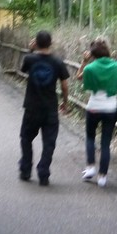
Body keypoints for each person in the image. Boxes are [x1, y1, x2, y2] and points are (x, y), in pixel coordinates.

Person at [18, 30, 71, 186]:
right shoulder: (58, 62)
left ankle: (26, 169)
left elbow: (22, 69)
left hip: (31, 107)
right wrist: (65, 102)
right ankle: (43, 172)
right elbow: (65, 85)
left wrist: (30, 50)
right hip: (50, 108)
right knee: (49, 142)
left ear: (36, 43)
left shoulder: (29, 59)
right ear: (51, 43)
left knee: (26, 138)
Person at [75, 38, 117, 188]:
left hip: (94, 107)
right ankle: (102, 176)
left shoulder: (89, 68)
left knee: (90, 138)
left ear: (92, 54)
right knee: (105, 143)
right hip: (111, 108)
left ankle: (90, 167)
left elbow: (78, 77)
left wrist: (84, 61)